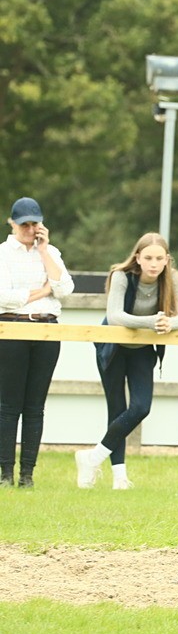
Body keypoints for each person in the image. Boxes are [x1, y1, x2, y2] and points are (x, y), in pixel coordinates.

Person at [76, 233, 178, 489]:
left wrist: (168, 322)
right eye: (148, 257)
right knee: (116, 409)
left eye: (159, 258)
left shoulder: (172, 278)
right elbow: (114, 315)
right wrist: (151, 322)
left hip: (142, 349)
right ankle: (119, 478)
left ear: (167, 260)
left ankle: (91, 459)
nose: (153, 263)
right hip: (112, 346)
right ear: (137, 257)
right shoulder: (121, 276)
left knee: (141, 407)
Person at [0, 197, 73, 488]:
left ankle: (27, 474)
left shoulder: (51, 252)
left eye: (35, 223)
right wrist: (43, 291)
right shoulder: (3, 253)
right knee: (8, 405)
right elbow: (4, 297)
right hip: (13, 330)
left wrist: (44, 252)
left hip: (46, 331)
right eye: (25, 224)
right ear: (13, 224)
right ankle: (5, 472)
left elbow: (65, 289)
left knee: (35, 406)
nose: (31, 229)